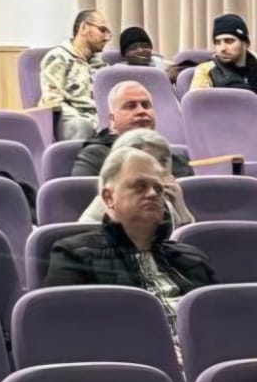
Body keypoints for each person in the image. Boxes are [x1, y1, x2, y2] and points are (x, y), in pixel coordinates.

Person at [45, 145, 213, 345]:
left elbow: (220, 322)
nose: (153, 194)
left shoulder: (192, 258)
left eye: (158, 188)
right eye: (140, 186)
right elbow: (64, 335)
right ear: (109, 197)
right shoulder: (74, 255)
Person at [72, 80, 192, 180]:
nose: (141, 111)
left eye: (146, 105)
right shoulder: (95, 155)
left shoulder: (174, 157)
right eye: (130, 106)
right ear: (112, 120)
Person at [78, 129, 187, 228]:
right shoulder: (106, 204)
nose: (159, 170)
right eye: (147, 162)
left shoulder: (168, 202)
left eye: (163, 161)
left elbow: (187, 240)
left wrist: (181, 209)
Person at [39, 10, 111, 141]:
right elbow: (53, 102)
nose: (107, 38)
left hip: (99, 120)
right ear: (84, 27)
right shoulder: (58, 57)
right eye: (102, 30)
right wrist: (93, 122)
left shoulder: (102, 66)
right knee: (83, 126)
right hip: (71, 121)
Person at [187, 14, 257, 107]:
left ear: (246, 43)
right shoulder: (205, 70)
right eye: (217, 42)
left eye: (229, 41)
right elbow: (198, 108)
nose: (222, 48)